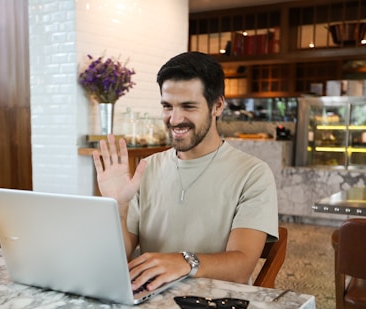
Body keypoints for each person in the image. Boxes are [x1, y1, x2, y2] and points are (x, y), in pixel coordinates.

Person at [93, 51, 278, 293]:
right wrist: (118, 208)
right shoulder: (146, 169)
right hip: (151, 306)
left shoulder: (253, 174)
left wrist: (183, 261)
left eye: (188, 106)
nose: (175, 119)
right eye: (167, 106)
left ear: (218, 106)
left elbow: (241, 266)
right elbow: (119, 256)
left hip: (217, 307)